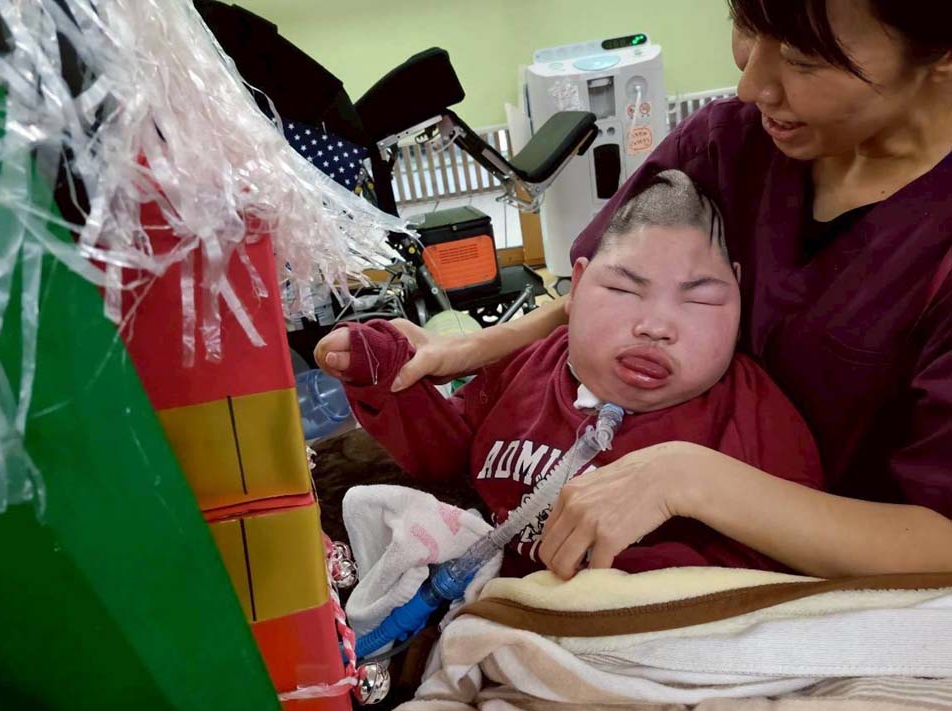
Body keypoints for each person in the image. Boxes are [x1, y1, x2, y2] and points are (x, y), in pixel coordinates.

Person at [351, 0, 952, 580]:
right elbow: (609, 281)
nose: (750, 85)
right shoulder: (728, 144)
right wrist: (478, 348)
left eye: (803, 58)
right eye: (745, 23)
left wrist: (687, 479)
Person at [316, 171, 823, 578]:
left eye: (701, 300)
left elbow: (782, 559)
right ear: (576, 287)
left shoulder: (753, 414)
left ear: (738, 298)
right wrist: (386, 377)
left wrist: (624, 579)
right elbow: (449, 458)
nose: (655, 327)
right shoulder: (529, 363)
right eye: (623, 291)